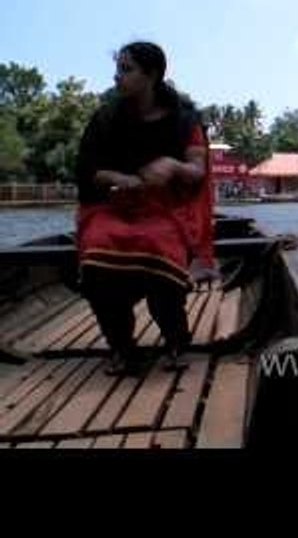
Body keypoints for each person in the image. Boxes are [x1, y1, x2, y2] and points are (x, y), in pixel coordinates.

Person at [75, 41, 215, 375]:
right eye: (117, 69)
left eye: (126, 70)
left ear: (151, 75)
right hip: (115, 208)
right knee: (95, 250)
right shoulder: (106, 119)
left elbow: (197, 170)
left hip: (166, 209)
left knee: (159, 245)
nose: (116, 78)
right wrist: (124, 180)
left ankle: (176, 340)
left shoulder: (184, 121)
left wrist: (172, 166)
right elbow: (88, 171)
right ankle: (123, 348)